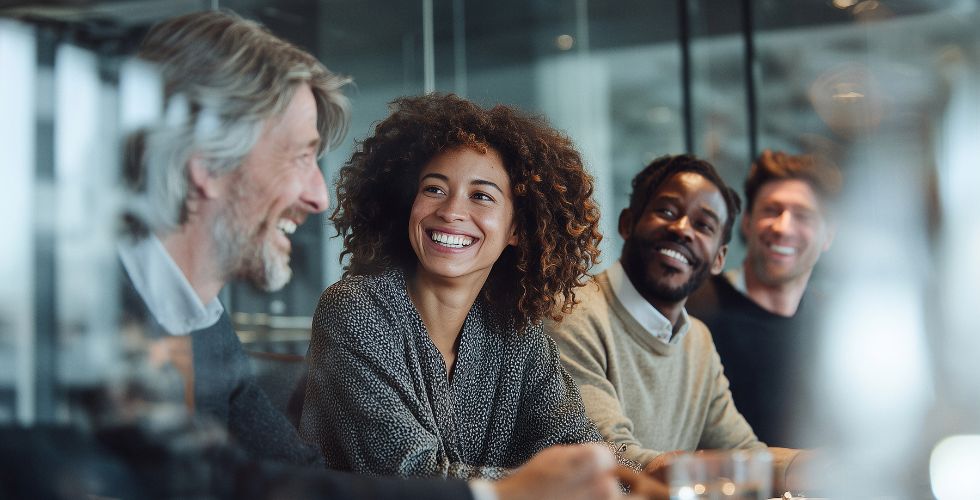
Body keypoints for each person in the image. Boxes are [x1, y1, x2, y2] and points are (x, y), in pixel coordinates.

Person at [108, 10, 621, 500]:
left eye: (482, 197)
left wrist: (625, 478)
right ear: (205, 164)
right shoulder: (86, 322)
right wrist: (511, 492)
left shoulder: (202, 324)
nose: (319, 196)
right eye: (300, 156)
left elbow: (280, 478)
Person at [300, 93, 615, 480]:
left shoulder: (519, 338)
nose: (450, 212)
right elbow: (410, 475)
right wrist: (552, 485)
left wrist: (645, 478)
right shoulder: (355, 310)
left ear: (518, 229)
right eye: (434, 189)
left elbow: (579, 448)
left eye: (481, 196)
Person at [546, 154, 805, 494]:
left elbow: (743, 451)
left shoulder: (698, 340)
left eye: (704, 226)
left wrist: (808, 466)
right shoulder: (571, 312)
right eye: (667, 211)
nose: (682, 229)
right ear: (627, 223)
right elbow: (610, 457)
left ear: (719, 259)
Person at [686, 149, 842, 447]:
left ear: (828, 236)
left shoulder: (836, 328)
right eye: (771, 210)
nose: (783, 227)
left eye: (803, 216)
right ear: (747, 222)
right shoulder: (692, 310)